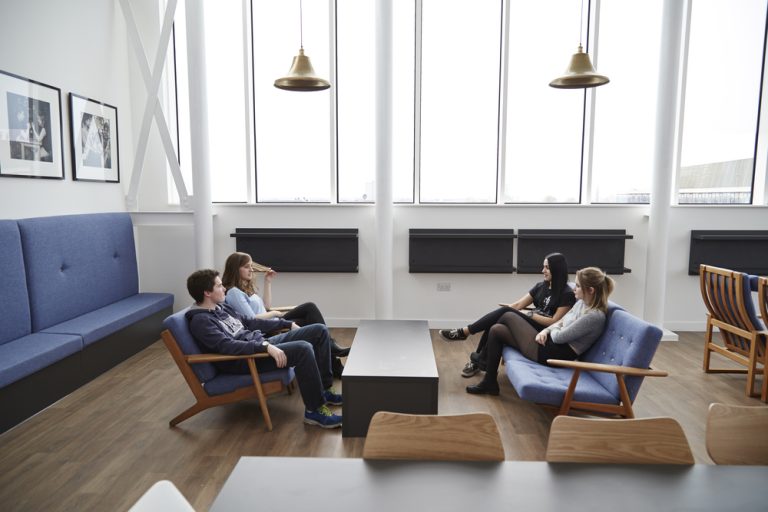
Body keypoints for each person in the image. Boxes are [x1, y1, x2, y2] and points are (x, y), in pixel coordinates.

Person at [185, 269, 343, 429]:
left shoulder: (221, 307)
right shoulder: (201, 321)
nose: (224, 288)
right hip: (247, 360)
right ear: (207, 293)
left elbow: (250, 322)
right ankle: (314, 411)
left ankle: (324, 389)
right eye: (219, 286)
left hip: (261, 345)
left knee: (318, 330)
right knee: (303, 349)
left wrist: (285, 323)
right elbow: (228, 346)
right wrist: (265, 347)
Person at [466, 266, 615, 396]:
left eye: (577, 286)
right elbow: (561, 322)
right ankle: (490, 382)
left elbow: (559, 337)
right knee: (497, 329)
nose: (574, 288)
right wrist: (545, 332)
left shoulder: (594, 316)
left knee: (508, 314)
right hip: (549, 342)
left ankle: (478, 351)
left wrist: (552, 330)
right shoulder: (581, 303)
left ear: (590, 290)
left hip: (556, 354)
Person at [439, 252, 576, 378]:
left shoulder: (567, 294)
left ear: (556, 269)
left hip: (542, 333)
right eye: (543, 267)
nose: (542, 271)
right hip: (529, 322)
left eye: (546, 267)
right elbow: (517, 305)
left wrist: (528, 314)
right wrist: (506, 312)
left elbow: (554, 321)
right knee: (497, 322)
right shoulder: (540, 286)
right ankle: (477, 360)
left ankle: (465, 333)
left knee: (505, 314)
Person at [221, 252, 350, 375]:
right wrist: (275, 313)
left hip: (272, 322)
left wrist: (268, 281)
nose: (251, 270)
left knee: (310, 316)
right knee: (310, 310)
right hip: (266, 328)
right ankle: (333, 353)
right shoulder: (234, 293)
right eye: (246, 267)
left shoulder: (244, 288)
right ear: (235, 269)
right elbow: (251, 319)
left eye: (251, 266)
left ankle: (333, 360)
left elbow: (266, 306)